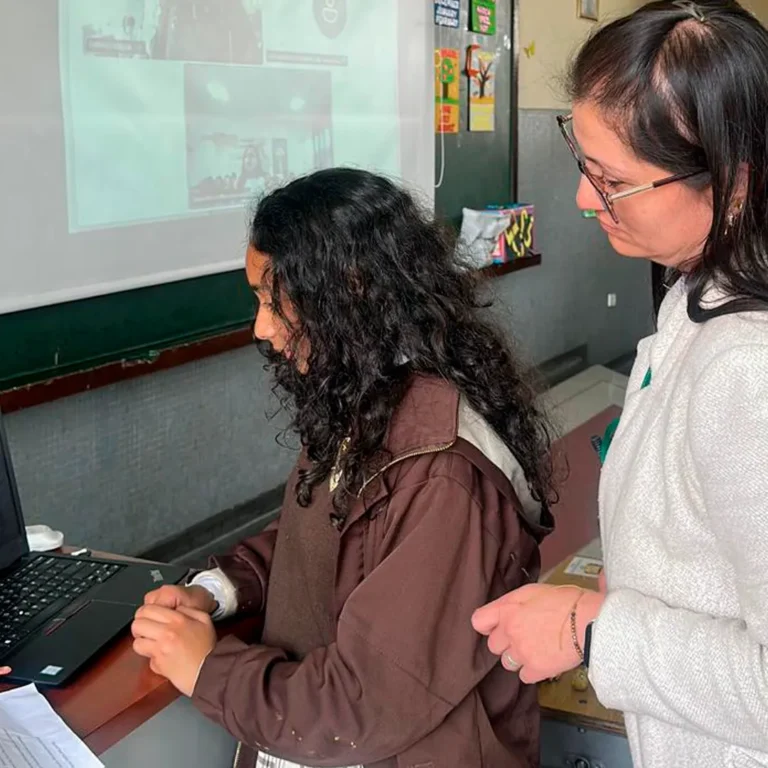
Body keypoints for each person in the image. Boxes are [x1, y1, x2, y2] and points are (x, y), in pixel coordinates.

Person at [130, 168, 556, 767]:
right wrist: (217, 590)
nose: (262, 329)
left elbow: (365, 703)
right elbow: (324, 541)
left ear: (348, 289)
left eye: (272, 301)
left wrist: (208, 669)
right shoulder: (368, 395)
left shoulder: (443, 477)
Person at [472, 2, 768, 766]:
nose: (581, 200)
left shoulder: (746, 373)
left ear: (733, 185)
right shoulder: (696, 295)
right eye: (583, 164)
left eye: (613, 181)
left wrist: (590, 630)